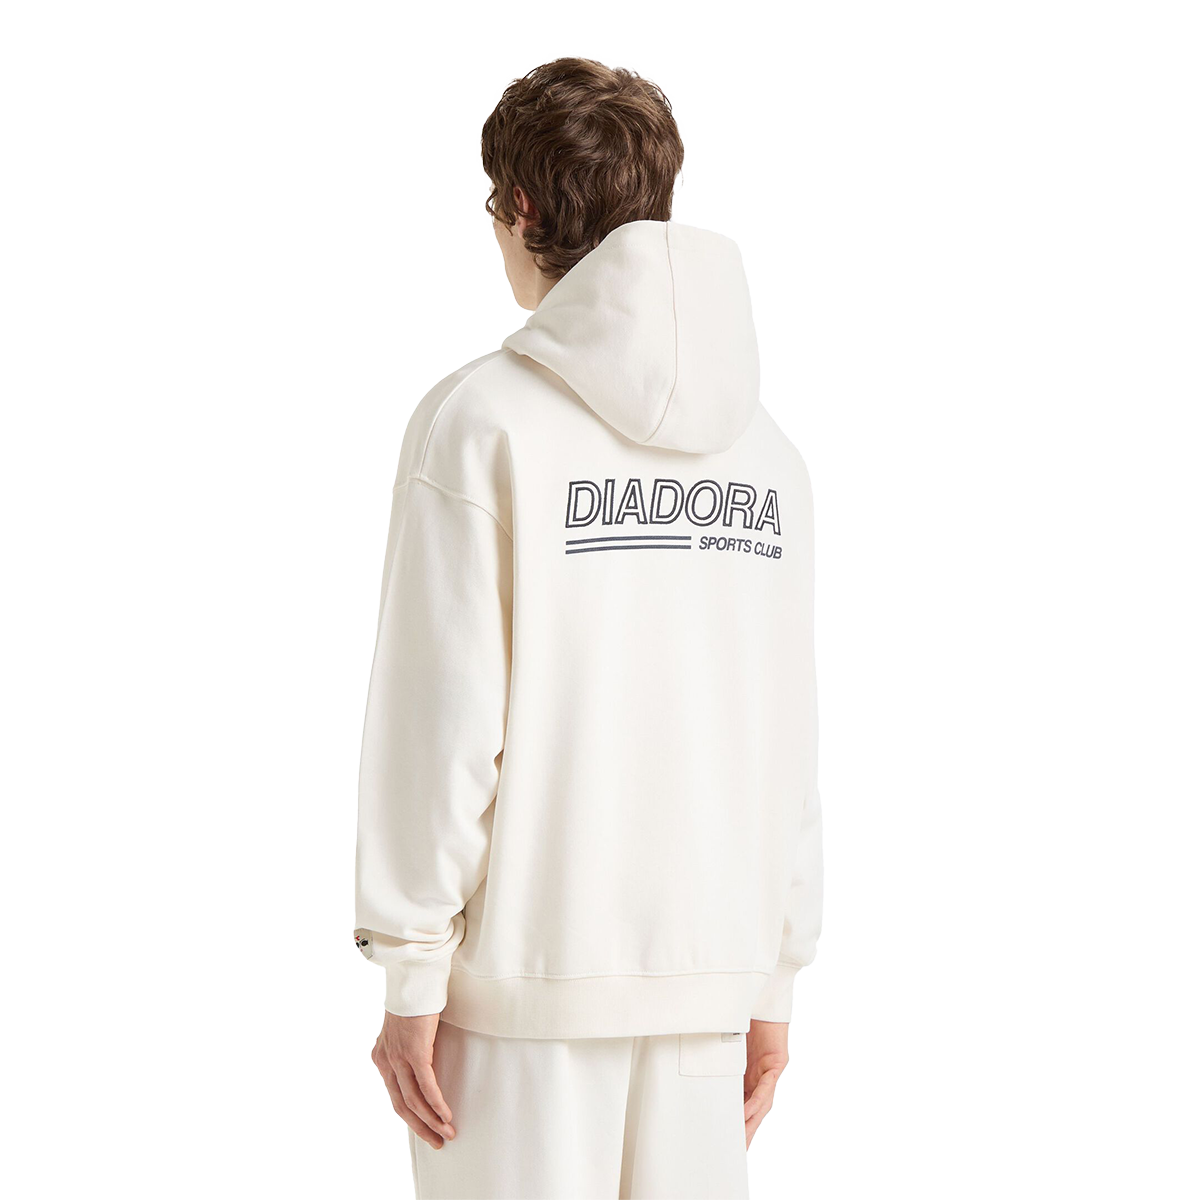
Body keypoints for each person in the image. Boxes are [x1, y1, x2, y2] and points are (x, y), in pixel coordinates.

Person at [354, 56, 820, 1200]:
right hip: (711, 988)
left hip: (521, 1003)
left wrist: (411, 976)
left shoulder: (481, 425)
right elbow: (784, 731)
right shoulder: (766, 456)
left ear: (521, 207)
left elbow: (441, 722)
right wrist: (773, 975)